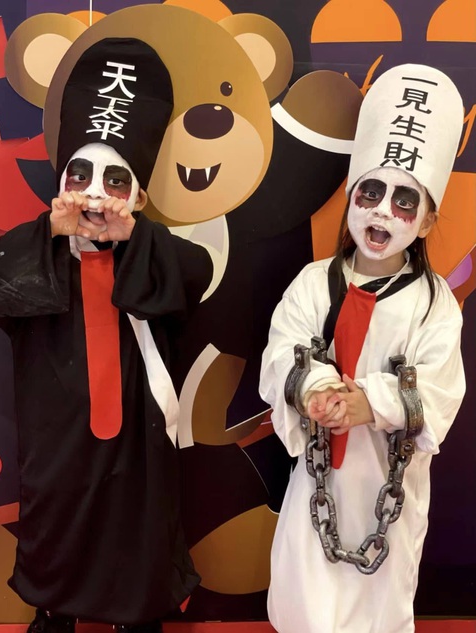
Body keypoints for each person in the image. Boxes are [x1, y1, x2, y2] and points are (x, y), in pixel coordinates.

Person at [0, 38, 213, 633]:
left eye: (115, 180)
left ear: (138, 195)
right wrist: (49, 231)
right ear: (61, 182)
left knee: (137, 522)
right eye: (81, 175)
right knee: (56, 521)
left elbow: (196, 275)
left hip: (136, 442)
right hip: (56, 440)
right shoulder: (34, 252)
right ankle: (54, 610)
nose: (95, 193)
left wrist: (132, 238)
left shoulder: (155, 255)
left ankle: (136, 614)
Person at [259, 64, 466, 633]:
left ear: (426, 221)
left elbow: (440, 386)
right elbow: (282, 351)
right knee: (307, 589)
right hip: (319, 476)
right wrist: (316, 390)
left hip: (387, 482)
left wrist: (371, 403)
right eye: (370, 193)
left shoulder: (432, 303)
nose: (382, 211)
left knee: (379, 600)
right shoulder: (313, 282)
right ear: (352, 199)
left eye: (404, 201)